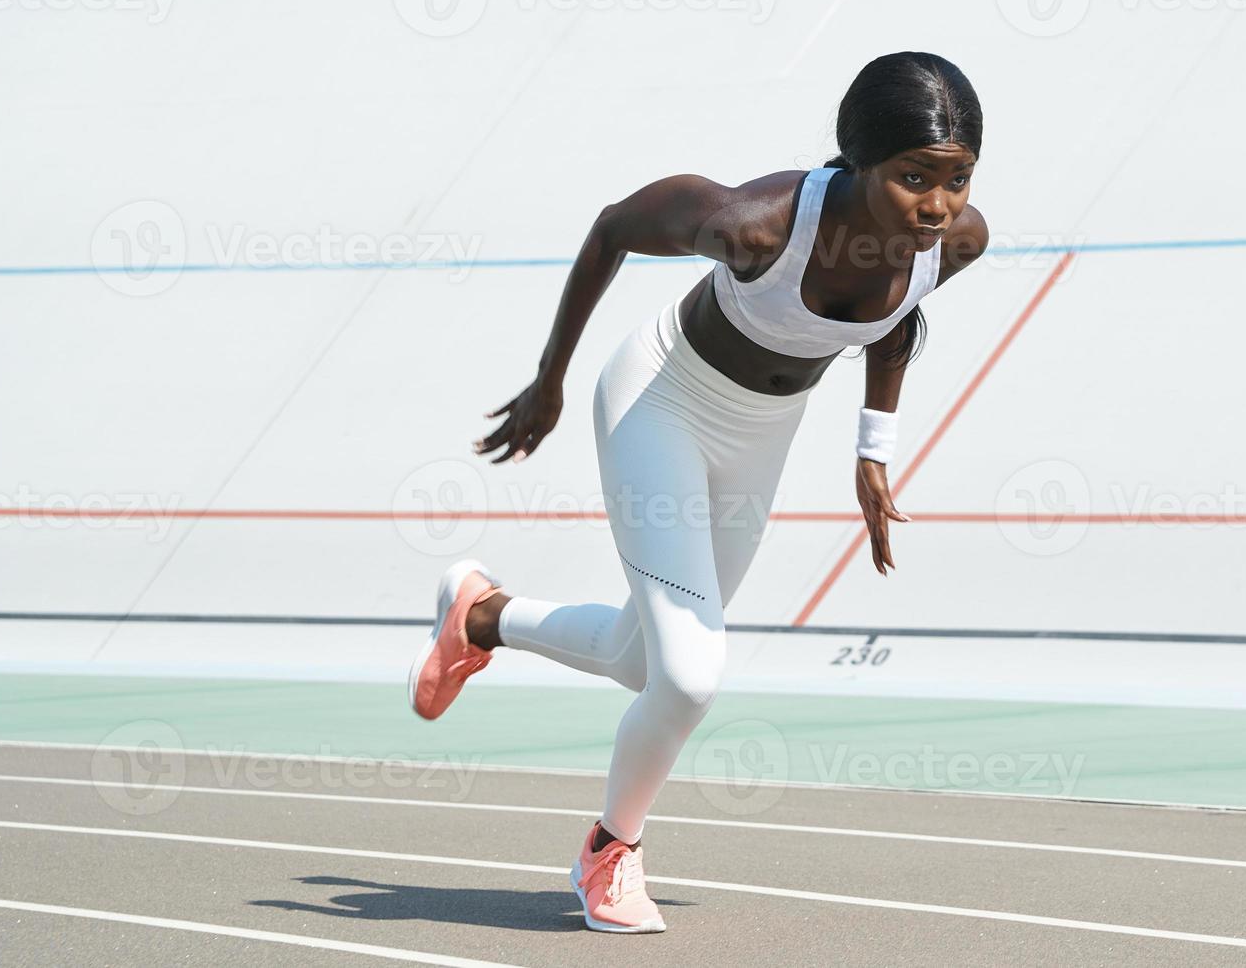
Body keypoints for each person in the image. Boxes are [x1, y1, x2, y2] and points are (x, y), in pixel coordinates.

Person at [406, 51, 988, 933]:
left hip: (762, 434)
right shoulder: (752, 226)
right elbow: (609, 228)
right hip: (661, 402)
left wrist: (874, 449)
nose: (938, 207)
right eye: (914, 179)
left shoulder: (956, 240)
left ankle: (481, 616)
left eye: (957, 180)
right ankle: (610, 851)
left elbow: (896, 318)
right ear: (858, 160)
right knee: (687, 675)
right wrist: (549, 381)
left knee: (648, 661)